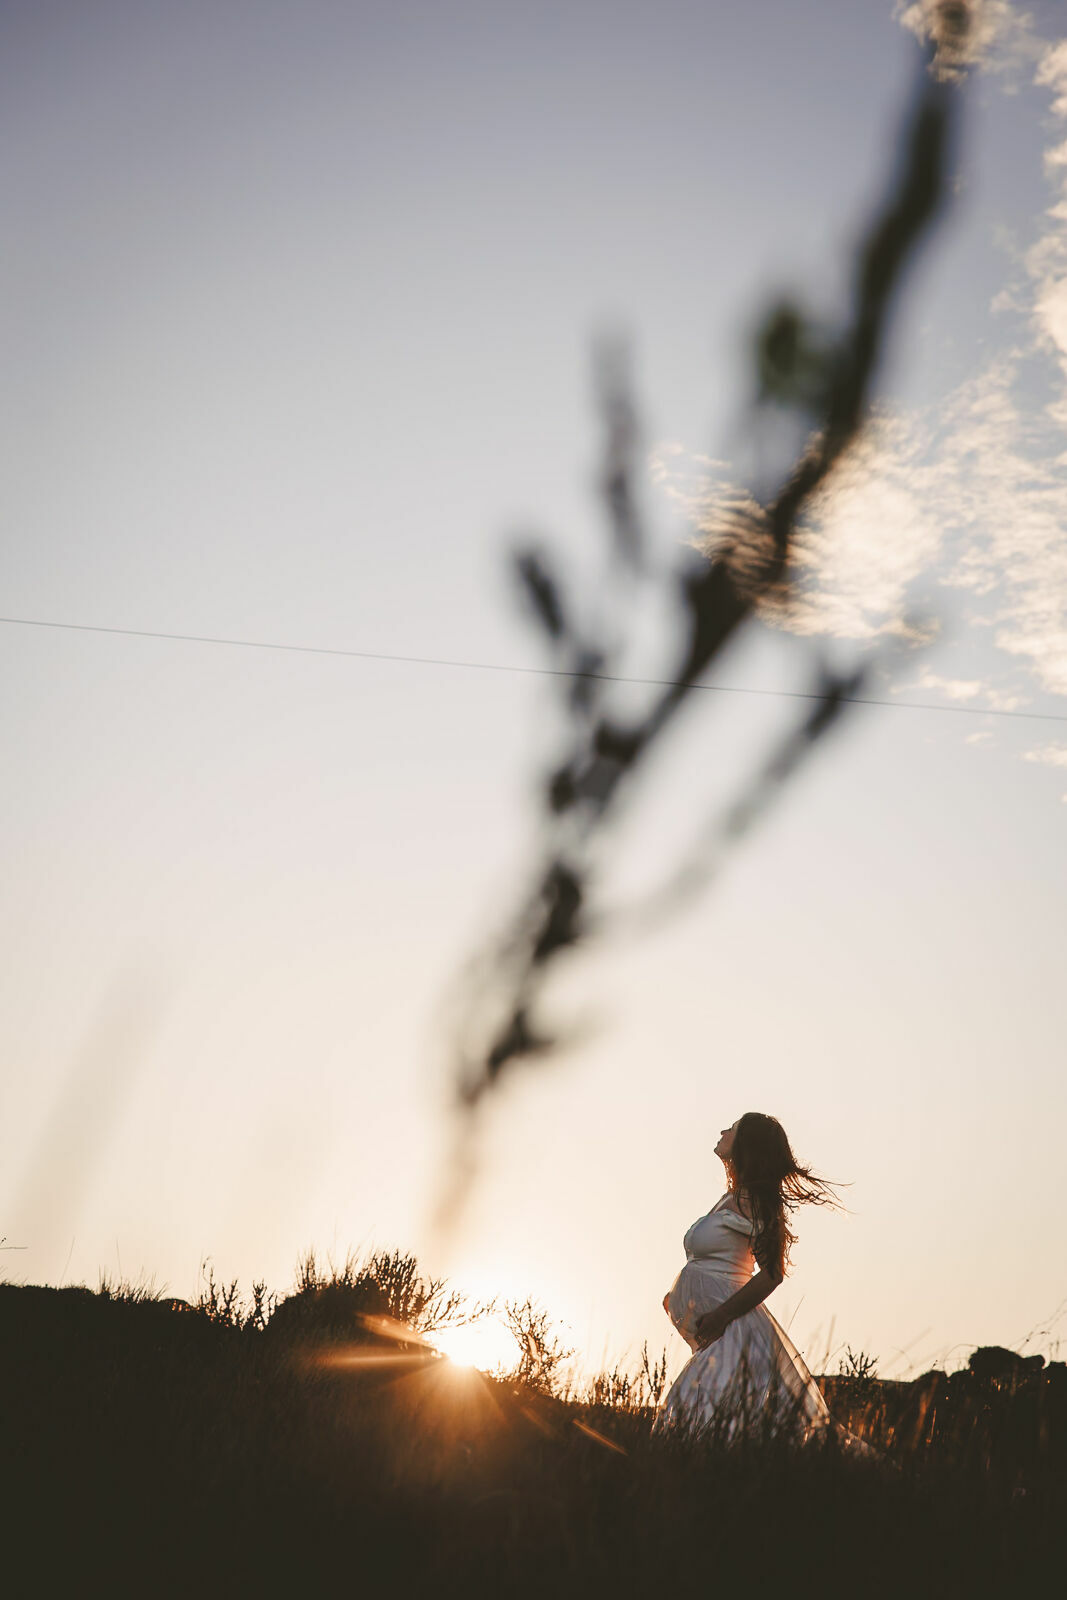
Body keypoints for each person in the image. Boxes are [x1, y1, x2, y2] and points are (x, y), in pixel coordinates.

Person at [656, 1111, 875, 1455]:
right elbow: (715, 1261)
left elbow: (773, 1274)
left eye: (733, 1128)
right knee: (699, 1418)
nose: (723, 1130)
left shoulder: (754, 1201)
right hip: (720, 1331)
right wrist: (677, 1296)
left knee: (703, 1418)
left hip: (734, 1330)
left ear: (746, 1144)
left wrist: (721, 1315)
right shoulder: (732, 1197)